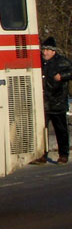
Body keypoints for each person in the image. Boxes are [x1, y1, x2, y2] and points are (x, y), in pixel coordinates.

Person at [32, 36, 72, 164]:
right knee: (42, 130)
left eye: (48, 50)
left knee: (61, 130)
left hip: (57, 101)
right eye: (44, 49)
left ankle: (63, 155)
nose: (45, 52)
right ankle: (42, 155)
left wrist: (62, 76)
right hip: (43, 102)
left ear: (54, 51)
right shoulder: (39, 61)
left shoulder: (61, 61)